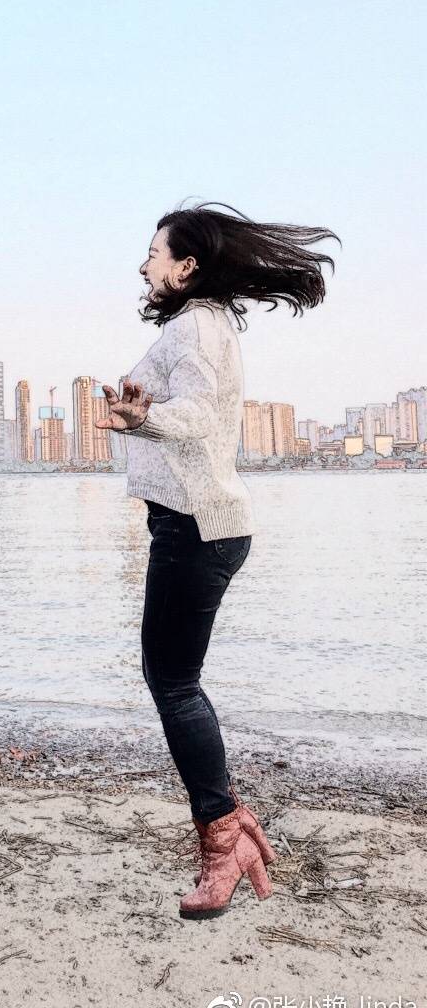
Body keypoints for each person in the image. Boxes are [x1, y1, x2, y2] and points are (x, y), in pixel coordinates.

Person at [95, 201, 340, 920]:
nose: (144, 265)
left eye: (155, 253)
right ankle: (227, 825)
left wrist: (146, 417)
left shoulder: (197, 326)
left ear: (187, 266)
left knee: (173, 684)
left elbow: (202, 415)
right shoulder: (198, 325)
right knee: (174, 680)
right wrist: (142, 409)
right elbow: (187, 405)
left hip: (197, 528)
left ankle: (223, 839)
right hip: (195, 525)